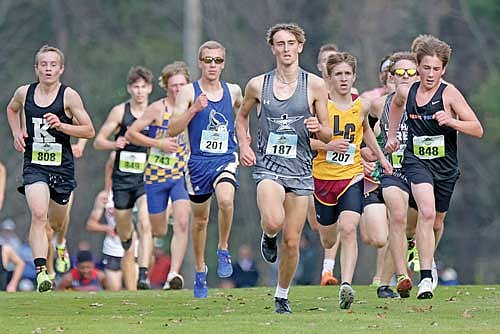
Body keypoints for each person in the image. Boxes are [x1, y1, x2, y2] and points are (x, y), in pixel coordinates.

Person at [235, 23, 331, 314]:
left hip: (301, 170)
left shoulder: (314, 85)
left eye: (291, 43)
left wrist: (319, 128)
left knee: (292, 242)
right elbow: (241, 118)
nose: (286, 48)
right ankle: (268, 234)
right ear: (273, 48)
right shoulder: (257, 85)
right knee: (274, 221)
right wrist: (244, 145)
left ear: (300, 47)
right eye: (280, 43)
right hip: (269, 167)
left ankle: (282, 294)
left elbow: (328, 132)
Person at [386, 36, 483, 299]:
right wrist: (392, 137)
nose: (430, 74)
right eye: (426, 68)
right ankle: (426, 277)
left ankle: (423, 252)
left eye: (436, 69)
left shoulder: (449, 93)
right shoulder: (408, 91)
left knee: (437, 221)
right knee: (426, 213)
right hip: (416, 162)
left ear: (444, 70)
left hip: (446, 168)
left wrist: (452, 121)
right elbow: (395, 105)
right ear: (418, 67)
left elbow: (477, 129)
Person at [6, 45, 95, 292]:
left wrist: (63, 126)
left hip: (62, 168)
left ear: (61, 69)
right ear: (36, 68)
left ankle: (61, 242)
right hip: (34, 165)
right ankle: (42, 272)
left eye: (53, 64)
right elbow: (12, 110)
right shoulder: (24, 93)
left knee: (57, 222)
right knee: (38, 215)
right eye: (43, 64)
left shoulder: (69, 96)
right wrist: (16, 133)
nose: (48, 68)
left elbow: (89, 130)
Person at [311, 52, 392, 309]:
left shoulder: (362, 106)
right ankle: (332, 254)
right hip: (323, 178)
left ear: (354, 76)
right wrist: (328, 145)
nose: (344, 79)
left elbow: (365, 130)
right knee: (328, 238)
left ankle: (346, 284)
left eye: (348, 74)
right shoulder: (318, 105)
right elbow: (307, 141)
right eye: (339, 74)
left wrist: (381, 158)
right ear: (330, 77)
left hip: (352, 175)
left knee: (348, 227)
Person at [168, 41, 243, 298]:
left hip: (225, 157)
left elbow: (243, 115)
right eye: (208, 60)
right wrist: (194, 109)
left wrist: (244, 142)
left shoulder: (232, 91)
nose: (213, 65)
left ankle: (223, 247)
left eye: (218, 61)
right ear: (200, 62)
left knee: (225, 200)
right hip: (198, 162)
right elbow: (172, 129)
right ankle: (200, 269)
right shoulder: (188, 92)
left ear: (224, 63)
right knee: (199, 221)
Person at [125, 61, 191, 290]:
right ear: (165, 86)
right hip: (155, 177)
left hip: (180, 175)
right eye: (173, 85)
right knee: (159, 229)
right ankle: (148, 264)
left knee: (183, 222)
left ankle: (173, 274)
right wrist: (158, 143)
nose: (178, 89)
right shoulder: (156, 109)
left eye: (182, 84)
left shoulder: (192, 108)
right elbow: (131, 133)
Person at [94, 66, 154, 289]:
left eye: (143, 87)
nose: (139, 91)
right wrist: (114, 144)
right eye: (135, 87)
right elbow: (98, 141)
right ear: (130, 89)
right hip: (122, 180)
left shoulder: (154, 112)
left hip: (145, 179)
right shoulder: (120, 112)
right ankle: (128, 240)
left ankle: (144, 273)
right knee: (125, 230)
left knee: (145, 222)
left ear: (149, 88)